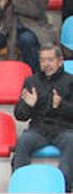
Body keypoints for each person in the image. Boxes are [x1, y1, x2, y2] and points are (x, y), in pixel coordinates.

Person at [13, 45, 73, 185]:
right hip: (38, 130)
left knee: (71, 141)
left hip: (64, 130)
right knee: (23, 140)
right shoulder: (31, 81)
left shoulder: (70, 81)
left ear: (60, 61)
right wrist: (28, 105)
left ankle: (64, 186)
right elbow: (19, 115)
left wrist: (61, 105)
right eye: (43, 60)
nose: (46, 64)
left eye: (50, 60)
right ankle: (19, 184)